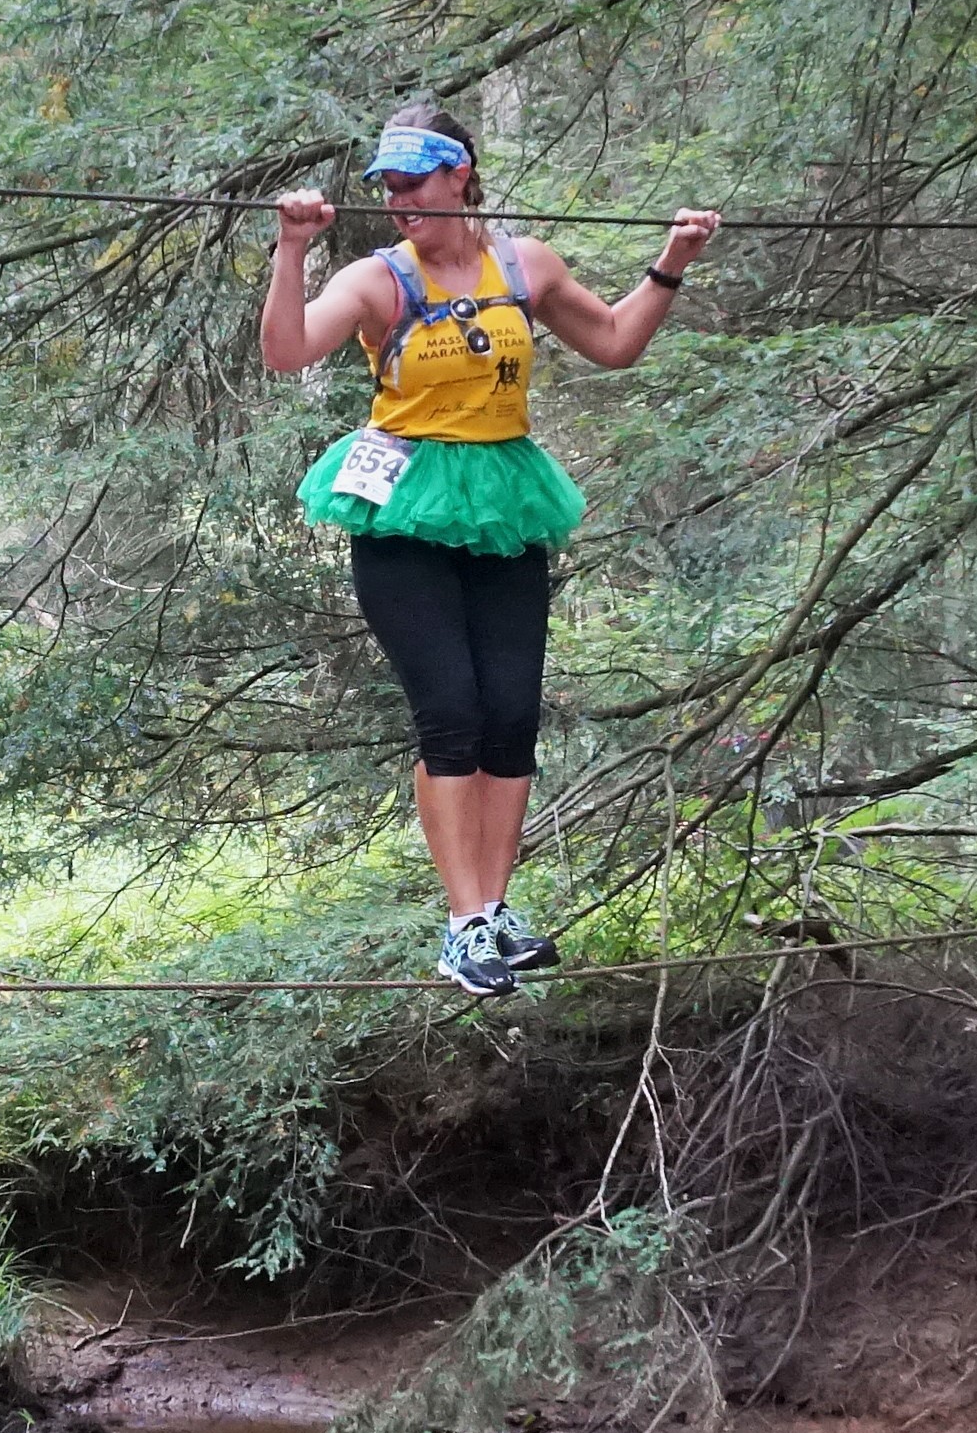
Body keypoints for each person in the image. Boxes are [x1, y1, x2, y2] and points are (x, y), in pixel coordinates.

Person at [263, 98, 719, 993]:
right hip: (404, 513)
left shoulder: (525, 264)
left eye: (414, 183)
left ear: (459, 174)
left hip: (504, 503)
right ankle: (463, 921)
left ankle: (497, 912)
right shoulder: (376, 279)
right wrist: (290, 250)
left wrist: (670, 263)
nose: (399, 202)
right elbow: (288, 350)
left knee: (510, 714)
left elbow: (615, 342)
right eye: (388, 187)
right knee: (452, 712)